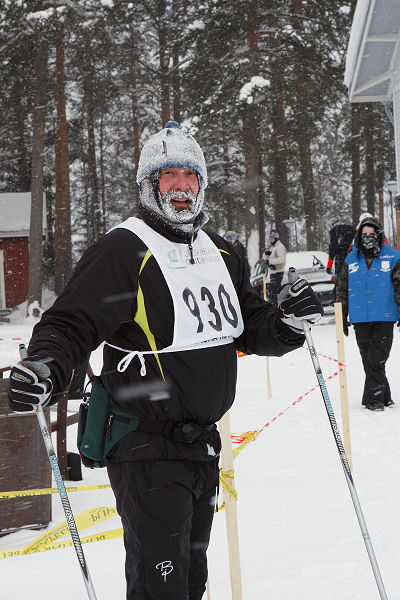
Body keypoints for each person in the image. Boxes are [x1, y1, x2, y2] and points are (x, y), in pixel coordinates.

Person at [7, 121, 323, 600]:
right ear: (149, 185)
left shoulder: (220, 251)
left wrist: (287, 324)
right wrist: (47, 367)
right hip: (146, 447)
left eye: (190, 176)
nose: (181, 187)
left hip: (200, 446)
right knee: (162, 587)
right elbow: (70, 323)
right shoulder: (124, 250)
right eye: (168, 175)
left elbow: (248, 321)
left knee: (190, 580)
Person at [336, 215, 400, 411]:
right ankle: (385, 395)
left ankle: (373, 400)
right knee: (368, 360)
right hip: (360, 317)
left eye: (371, 233)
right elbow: (341, 289)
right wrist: (341, 316)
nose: (367, 237)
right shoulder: (351, 260)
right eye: (364, 234)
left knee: (375, 359)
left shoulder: (393, 257)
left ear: (379, 234)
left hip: (384, 316)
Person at [263, 230, 286, 306]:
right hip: (272, 272)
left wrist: (270, 262)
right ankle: (274, 308)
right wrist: (266, 255)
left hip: (278, 272)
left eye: (272, 239)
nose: (271, 240)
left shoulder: (280, 247)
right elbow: (265, 258)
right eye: (270, 239)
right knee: (272, 293)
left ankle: (276, 309)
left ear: (276, 239)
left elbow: (282, 259)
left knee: (274, 292)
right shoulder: (273, 247)